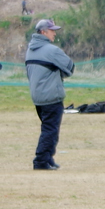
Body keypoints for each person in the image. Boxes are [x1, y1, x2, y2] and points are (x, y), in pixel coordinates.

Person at [25, 18, 74, 170]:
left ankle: (48, 158)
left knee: (48, 128)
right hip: (51, 96)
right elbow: (70, 67)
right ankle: (40, 161)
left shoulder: (30, 49)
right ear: (43, 32)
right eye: (52, 31)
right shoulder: (51, 50)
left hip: (37, 96)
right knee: (50, 130)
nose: (54, 34)